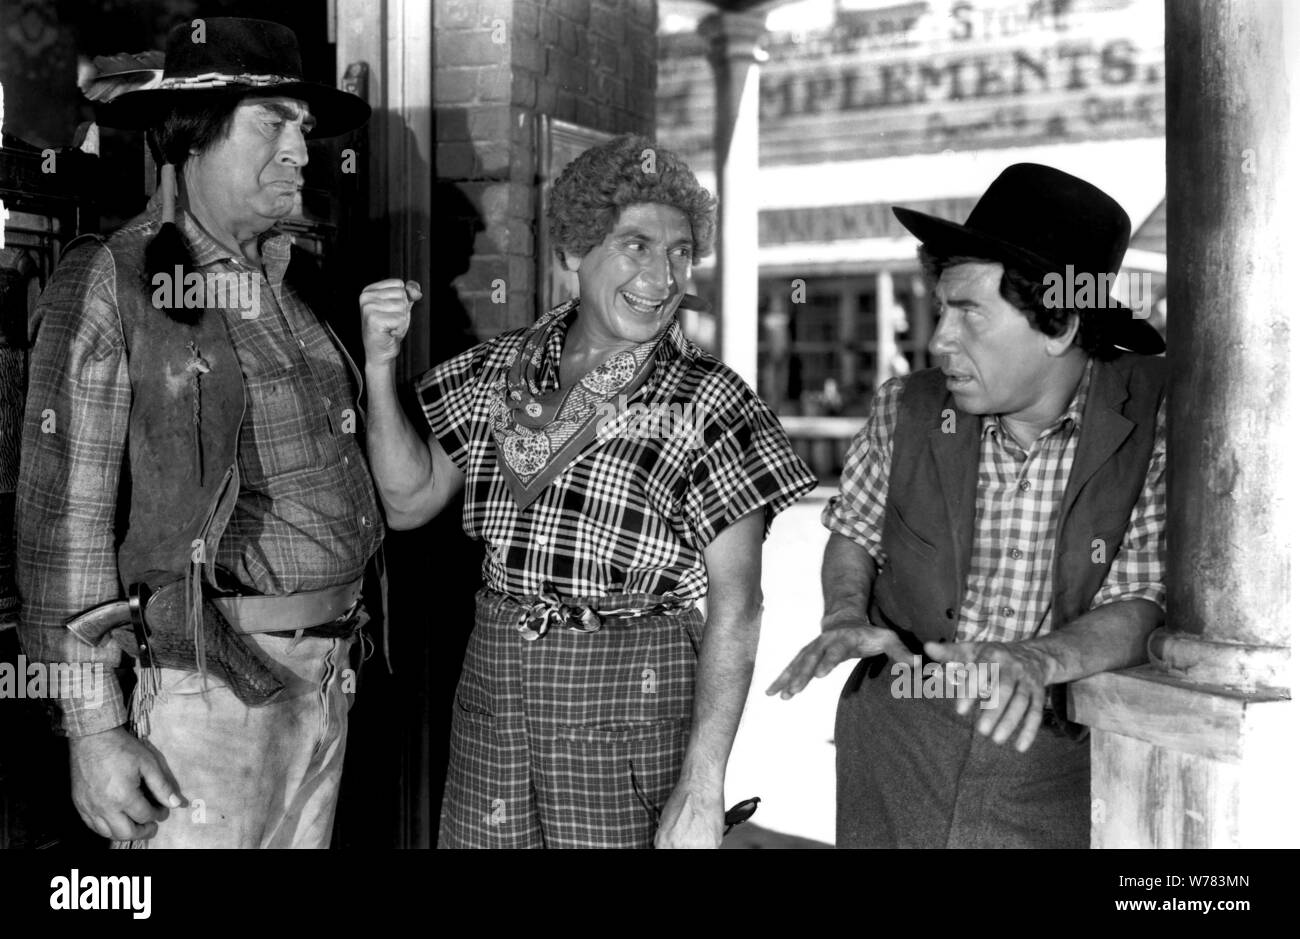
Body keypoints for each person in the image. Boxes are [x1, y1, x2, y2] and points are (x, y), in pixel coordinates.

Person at [361, 134, 817, 848]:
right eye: (635, 245)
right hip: (496, 694)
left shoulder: (709, 400)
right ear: (574, 250)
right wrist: (379, 368)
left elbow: (739, 603)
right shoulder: (500, 370)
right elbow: (408, 498)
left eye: (678, 253)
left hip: (630, 697)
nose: (661, 277)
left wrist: (703, 786)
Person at [16, 18, 378, 848]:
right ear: (191, 141)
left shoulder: (291, 286)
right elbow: (62, 524)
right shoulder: (115, 281)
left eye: (306, 130)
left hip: (322, 678)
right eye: (271, 124)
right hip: (203, 691)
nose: (300, 150)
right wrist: (95, 731)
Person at [767, 163, 1167, 848]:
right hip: (896, 741)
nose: (938, 339)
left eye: (969, 311)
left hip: (1056, 759)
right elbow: (856, 531)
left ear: (1061, 323)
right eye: (941, 307)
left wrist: (1036, 660)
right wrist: (843, 612)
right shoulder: (906, 407)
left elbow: (1144, 599)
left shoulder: (1154, 424)